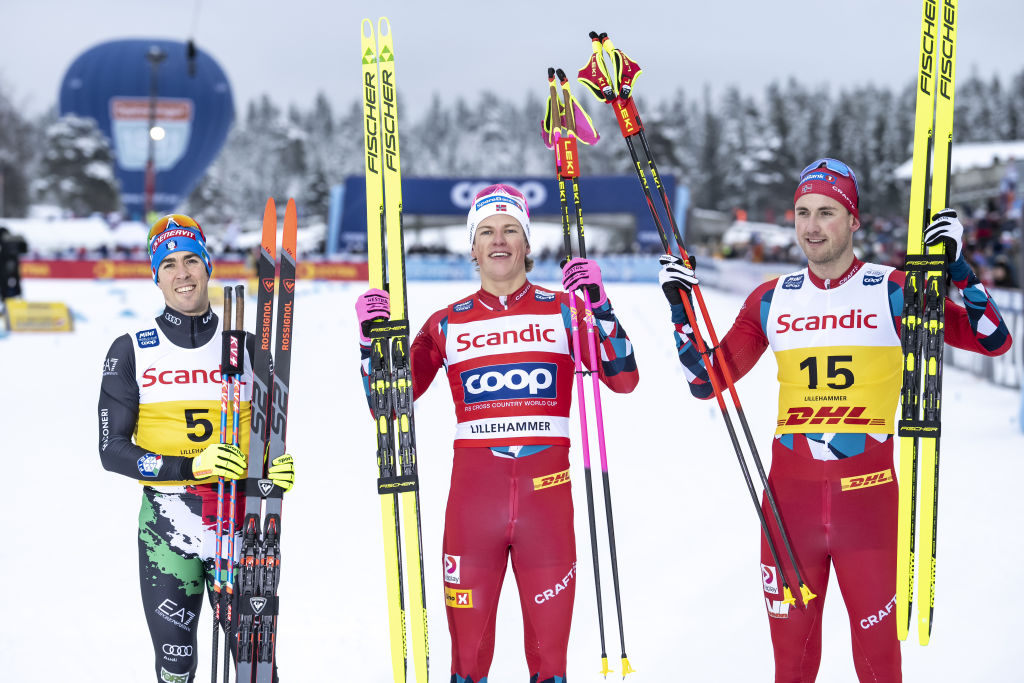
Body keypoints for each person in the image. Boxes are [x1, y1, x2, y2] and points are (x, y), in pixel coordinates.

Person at [658, 159, 1012, 682]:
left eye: (827, 212)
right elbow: (707, 380)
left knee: (877, 666)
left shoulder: (894, 290)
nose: (812, 226)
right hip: (788, 509)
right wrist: (680, 311)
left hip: (867, 506)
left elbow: (992, 339)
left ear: (853, 221)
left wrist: (959, 269)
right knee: (792, 667)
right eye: (803, 212)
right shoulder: (771, 300)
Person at [356, 184, 639, 683]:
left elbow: (623, 378)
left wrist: (601, 307)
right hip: (472, 513)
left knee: (550, 666)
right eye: (486, 231)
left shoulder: (565, 311)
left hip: (546, 512)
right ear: (472, 246)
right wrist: (370, 345)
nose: (499, 240)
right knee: (466, 665)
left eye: (511, 230)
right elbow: (387, 403)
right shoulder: (446, 324)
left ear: (529, 243)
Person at [97, 214, 296, 682]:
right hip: (169, 532)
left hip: (243, 527)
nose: (182, 273)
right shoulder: (132, 349)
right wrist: (191, 463)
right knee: (176, 664)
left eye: (191, 260)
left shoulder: (250, 348)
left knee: (256, 666)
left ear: (207, 266)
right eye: (168, 265)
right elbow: (112, 450)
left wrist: (273, 470)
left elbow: (271, 432)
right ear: (155, 276)